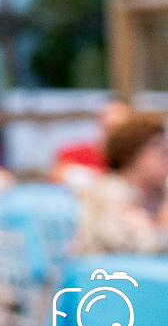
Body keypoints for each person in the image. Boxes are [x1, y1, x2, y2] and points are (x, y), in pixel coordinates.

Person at [74, 117, 168, 255]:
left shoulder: (159, 193)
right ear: (130, 155)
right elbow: (124, 242)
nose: (165, 155)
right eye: (156, 147)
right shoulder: (110, 190)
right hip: (105, 271)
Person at [51, 97, 132, 188]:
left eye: (116, 127)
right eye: (108, 127)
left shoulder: (133, 159)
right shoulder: (73, 153)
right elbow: (56, 180)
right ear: (99, 121)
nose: (112, 133)